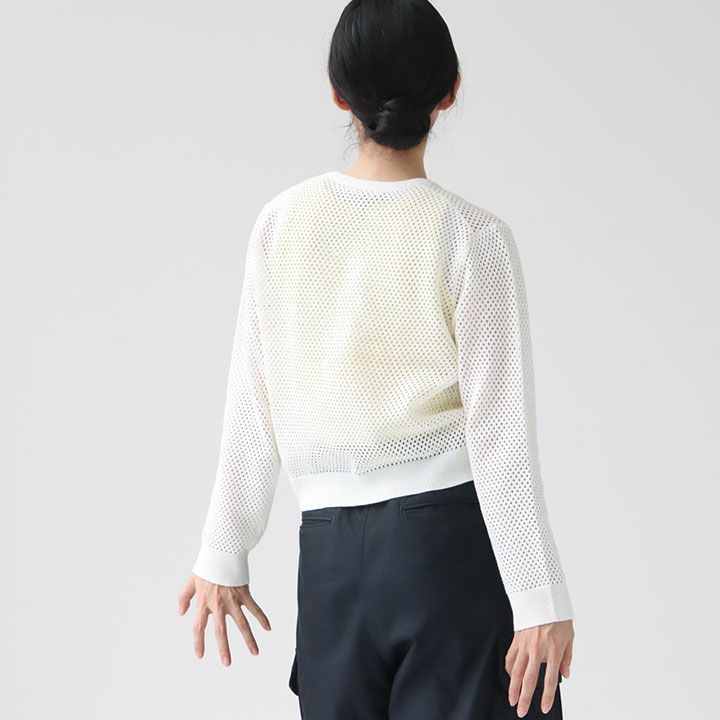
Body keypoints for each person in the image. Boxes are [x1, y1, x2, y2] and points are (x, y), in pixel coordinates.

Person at [177, 0, 576, 717]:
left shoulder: (282, 223)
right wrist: (538, 597)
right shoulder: (471, 236)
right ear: (449, 91)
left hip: (330, 562)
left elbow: (253, 402)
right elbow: (500, 435)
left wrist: (223, 550)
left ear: (339, 95)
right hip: (448, 550)